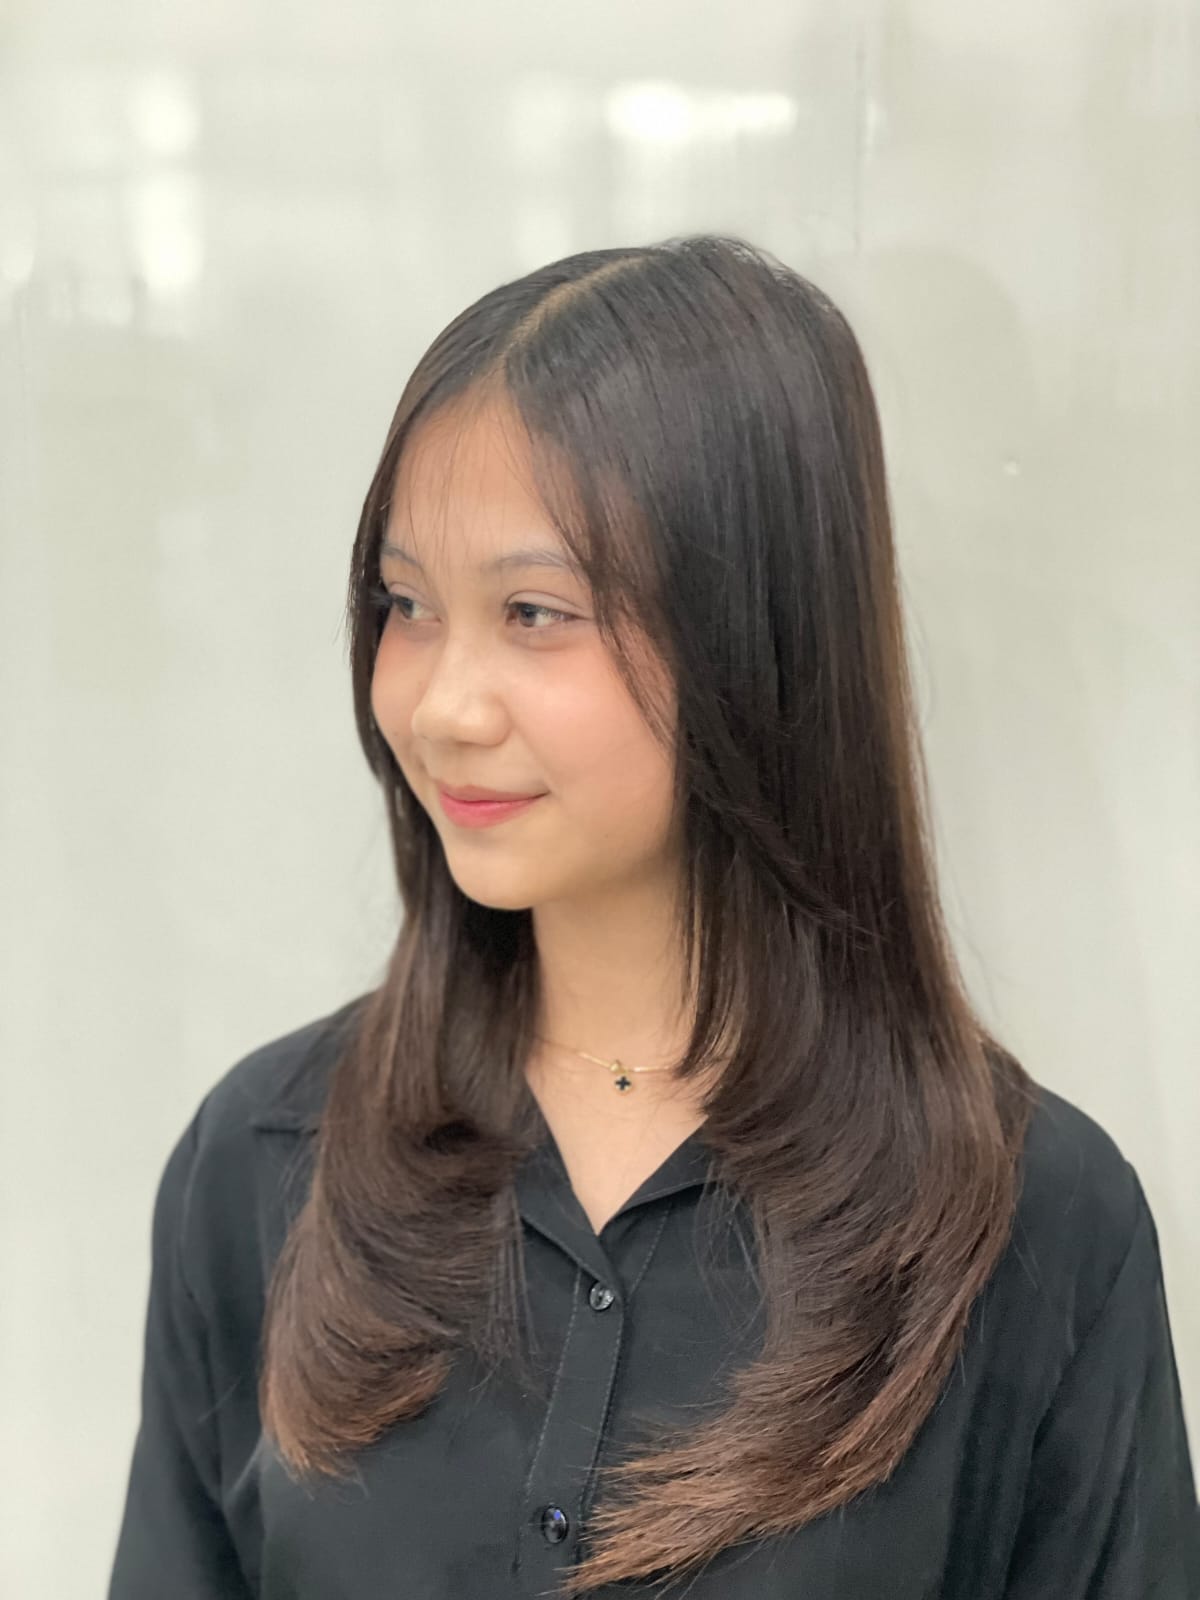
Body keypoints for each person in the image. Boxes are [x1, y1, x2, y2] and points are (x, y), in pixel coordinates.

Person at [107, 234, 1199, 1599]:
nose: (441, 706)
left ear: (751, 636)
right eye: (406, 604)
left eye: (533, 612)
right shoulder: (265, 1161)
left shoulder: (1035, 1226)